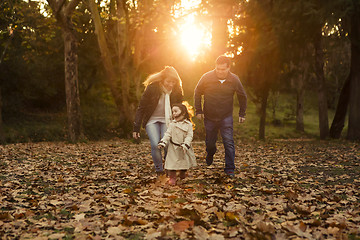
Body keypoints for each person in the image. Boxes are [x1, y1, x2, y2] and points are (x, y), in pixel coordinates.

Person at [194, 55, 247, 177]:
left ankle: (230, 168)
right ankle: (210, 153)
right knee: (210, 142)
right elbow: (197, 92)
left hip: (226, 116)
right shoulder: (206, 77)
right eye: (218, 69)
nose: (220, 71)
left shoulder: (234, 80)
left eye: (223, 69)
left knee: (228, 141)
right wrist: (199, 110)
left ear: (228, 68)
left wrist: (242, 113)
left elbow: (242, 96)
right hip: (209, 116)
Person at [133, 66, 184, 176]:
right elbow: (141, 107)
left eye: (173, 82)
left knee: (167, 144)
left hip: (168, 120)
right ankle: (159, 170)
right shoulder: (152, 88)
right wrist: (136, 127)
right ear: (162, 79)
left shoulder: (176, 91)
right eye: (168, 81)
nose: (171, 84)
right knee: (156, 144)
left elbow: (181, 110)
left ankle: (168, 167)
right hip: (152, 120)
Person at [158, 103, 197, 185]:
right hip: (173, 148)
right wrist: (163, 142)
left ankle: (182, 174)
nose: (174, 113)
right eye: (173, 112)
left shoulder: (188, 125)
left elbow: (189, 136)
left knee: (183, 163)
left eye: (176, 111)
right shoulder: (172, 124)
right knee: (171, 164)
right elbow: (167, 134)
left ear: (183, 113)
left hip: (184, 148)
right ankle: (172, 178)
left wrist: (186, 144)